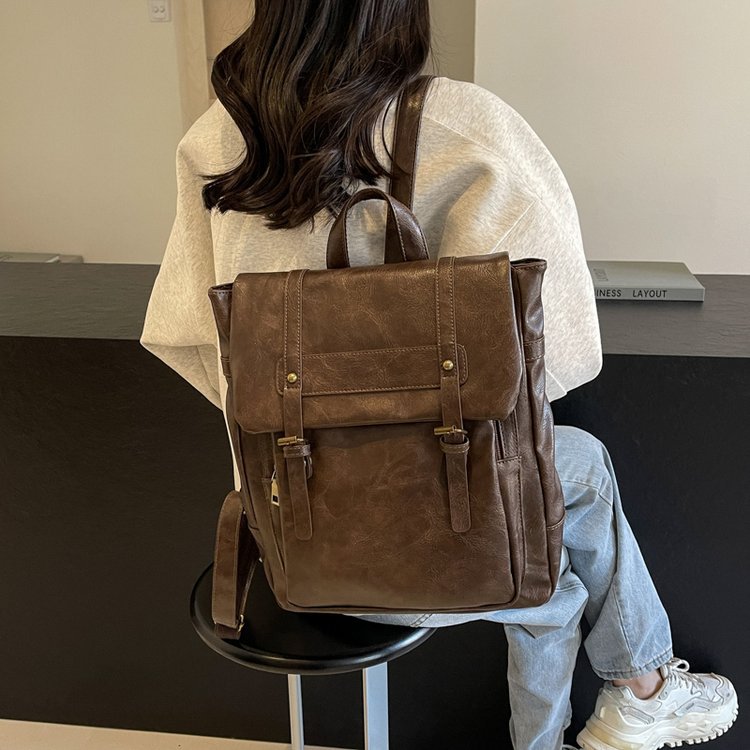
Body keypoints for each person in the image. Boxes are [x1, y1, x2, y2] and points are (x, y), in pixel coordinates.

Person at [139, 2, 738, 748]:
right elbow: (563, 357)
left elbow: (185, 339)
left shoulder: (216, 139)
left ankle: (640, 692)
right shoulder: (464, 126)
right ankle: (639, 690)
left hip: (294, 535)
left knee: (561, 536)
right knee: (564, 508)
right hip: (440, 544)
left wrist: (311, 424)